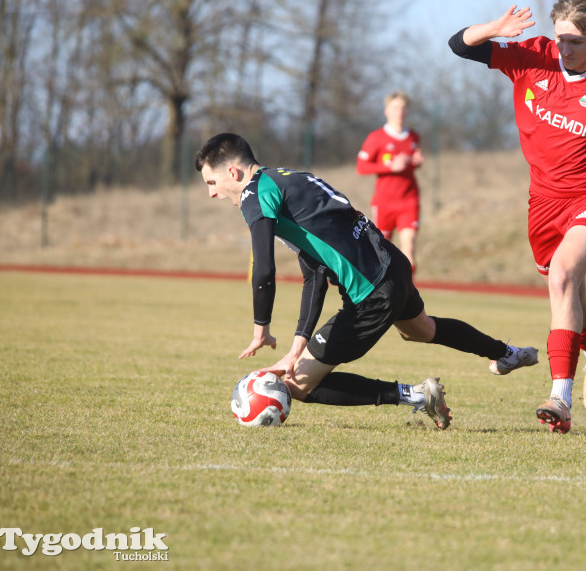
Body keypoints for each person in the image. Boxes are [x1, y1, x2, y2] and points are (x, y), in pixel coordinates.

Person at [195, 133, 538, 430]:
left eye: (212, 183)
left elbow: (264, 270)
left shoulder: (255, 194)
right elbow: (315, 274)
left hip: (371, 293)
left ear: (233, 172)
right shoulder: (289, 179)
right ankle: (506, 353)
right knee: (422, 329)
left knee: (299, 385)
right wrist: (296, 347)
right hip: (393, 267)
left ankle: (418, 395)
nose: (212, 193)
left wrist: (261, 330)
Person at [449, 0, 586, 434]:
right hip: (543, 202)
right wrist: (495, 28)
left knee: (565, 276)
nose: (564, 50)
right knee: (570, 288)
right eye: (560, 39)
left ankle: (559, 398)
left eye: (576, 43)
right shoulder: (533, 56)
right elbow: (458, 45)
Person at [356, 90, 423, 272]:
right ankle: (382, 292)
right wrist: (390, 167)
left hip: (409, 200)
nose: (399, 112)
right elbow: (361, 167)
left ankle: (408, 295)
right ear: (387, 111)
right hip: (384, 202)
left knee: (408, 247)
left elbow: (412, 161)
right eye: (395, 107)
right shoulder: (376, 137)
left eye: (403, 108)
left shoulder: (413, 137)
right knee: (381, 250)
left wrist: (415, 162)